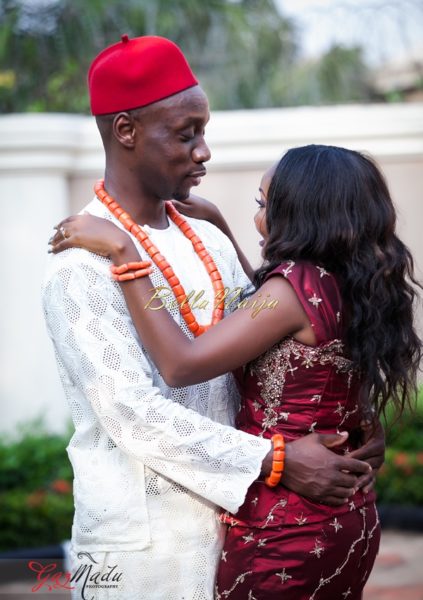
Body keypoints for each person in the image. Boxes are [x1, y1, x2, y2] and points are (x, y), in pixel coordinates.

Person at [44, 36, 384, 599]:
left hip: (252, 528)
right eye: (186, 134)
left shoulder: (208, 239)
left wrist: (347, 428)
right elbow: (132, 414)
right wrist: (278, 460)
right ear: (125, 131)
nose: (204, 151)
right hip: (147, 548)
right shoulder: (80, 260)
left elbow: (280, 344)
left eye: (204, 132)